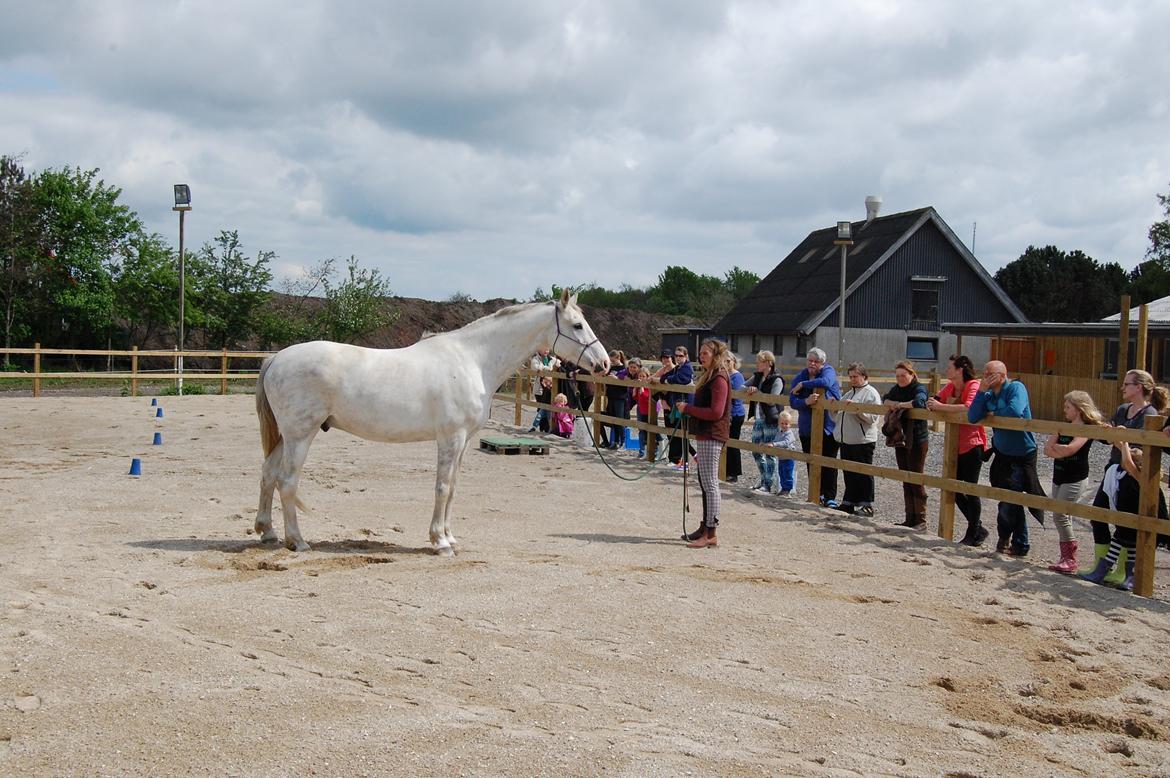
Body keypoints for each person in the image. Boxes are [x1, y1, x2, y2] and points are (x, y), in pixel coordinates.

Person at [1086, 369, 1168, 582]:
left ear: (1138, 387)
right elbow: (1109, 439)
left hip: (1132, 474)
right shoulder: (1123, 409)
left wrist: (1119, 438)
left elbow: (1139, 451)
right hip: (1114, 469)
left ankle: (1122, 570)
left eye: (1127, 384)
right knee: (1098, 515)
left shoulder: (1150, 415)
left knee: (1127, 524)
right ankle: (1102, 564)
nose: (1122, 387)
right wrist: (1108, 432)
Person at [968, 360, 1045, 557]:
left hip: (1022, 454)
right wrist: (981, 393)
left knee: (1013, 499)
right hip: (1002, 453)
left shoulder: (1016, 387)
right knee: (1006, 498)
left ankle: (1013, 542)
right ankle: (1016, 542)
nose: (986, 376)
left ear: (1002, 375)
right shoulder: (987, 394)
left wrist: (993, 413)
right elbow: (973, 416)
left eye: (990, 373)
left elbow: (1015, 411)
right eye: (985, 373)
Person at [1080, 442, 1168, 591]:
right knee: (1130, 545)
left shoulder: (1141, 478)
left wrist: (1125, 441)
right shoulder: (1130, 476)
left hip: (1142, 519)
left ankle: (1102, 572)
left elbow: (1128, 461)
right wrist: (1121, 444)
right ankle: (1129, 577)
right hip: (1133, 518)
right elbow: (1128, 460)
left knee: (1120, 541)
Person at [926, 355, 988, 546]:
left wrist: (940, 406)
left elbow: (968, 408)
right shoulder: (951, 386)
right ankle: (977, 528)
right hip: (955, 445)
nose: (947, 369)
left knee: (970, 488)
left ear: (960, 369)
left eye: (950, 366)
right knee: (952, 488)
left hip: (972, 444)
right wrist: (933, 403)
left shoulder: (973, 385)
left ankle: (973, 531)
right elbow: (936, 398)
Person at [676, 339, 732, 548]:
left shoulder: (718, 378)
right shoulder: (710, 375)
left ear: (715, 355)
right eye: (700, 353)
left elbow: (716, 412)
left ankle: (711, 531)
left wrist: (688, 409)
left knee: (710, 484)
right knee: (705, 482)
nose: (701, 356)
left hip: (712, 434)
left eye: (705, 353)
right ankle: (705, 526)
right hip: (705, 433)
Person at [1043, 391, 1104, 573]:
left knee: (1060, 514)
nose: (1065, 410)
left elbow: (1071, 449)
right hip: (1059, 475)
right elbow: (1047, 449)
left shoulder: (1084, 429)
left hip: (1075, 477)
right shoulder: (1063, 426)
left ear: (1078, 409)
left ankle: (1070, 557)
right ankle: (1065, 556)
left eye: (1068, 407)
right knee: (1062, 515)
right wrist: (1058, 449)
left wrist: (1059, 449)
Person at [790, 348, 841, 506]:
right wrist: (806, 402)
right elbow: (792, 400)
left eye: (816, 361)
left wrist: (803, 384)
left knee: (829, 463)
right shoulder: (802, 375)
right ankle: (816, 494)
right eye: (810, 360)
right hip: (807, 428)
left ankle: (830, 497)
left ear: (822, 363)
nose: (812, 364)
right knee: (811, 463)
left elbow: (825, 383)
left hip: (828, 428)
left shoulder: (828, 371)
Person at [883, 360, 930, 529]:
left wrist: (900, 405)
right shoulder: (897, 389)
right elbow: (885, 398)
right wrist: (893, 404)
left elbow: (920, 402)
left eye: (903, 375)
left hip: (917, 439)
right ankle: (909, 517)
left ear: (911, 374)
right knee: (905, 477)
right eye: (897, 376)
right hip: (901, 438)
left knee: (916, 477)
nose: (900, 379)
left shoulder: (918, 388)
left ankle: (921, 519)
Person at [833, 363, 881, 517]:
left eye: (855, 376)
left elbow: (873, 418)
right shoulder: (848, 394)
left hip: (862, 440)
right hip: (847, 439)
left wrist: (857, 410)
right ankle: (849, 501)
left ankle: (866, 504)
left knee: (864, 472)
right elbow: (838, 415)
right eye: (851, 376)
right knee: (849, 471)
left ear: (864, 376)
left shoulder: (871, 393)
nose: (852, 379)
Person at [743, 350, 785, 493]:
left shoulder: (777, 379)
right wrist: (749, 389)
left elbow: (773, 399)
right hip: (758, 419)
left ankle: (768, 484)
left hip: (771, 419)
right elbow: (741, 386)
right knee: (756, 450)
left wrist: (757, 393)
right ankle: (763, 480)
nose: (757, 364)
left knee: (769, 452)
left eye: (759, 361)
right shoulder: (757, 377)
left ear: (769, 363)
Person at [652, 346, 695, 468]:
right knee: (675, 431)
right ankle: (678, 460)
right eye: (676, 355)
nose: (678, 358)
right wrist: (663, 380)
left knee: (682, 433)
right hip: (677, 404)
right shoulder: (678, 368)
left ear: (686, 356)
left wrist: (665, 380)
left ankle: (684, 461)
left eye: (680, 356)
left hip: (685, 404)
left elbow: (679, 379)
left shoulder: (686, 368)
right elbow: (667, 377)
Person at [527, 348, 560, 433]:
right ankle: (542, 428)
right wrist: (548, 368)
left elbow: (559, 363)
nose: (546, 351)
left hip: (549, 387)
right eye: (544, 349)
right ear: (539, 350)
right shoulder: (536, 359)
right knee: (541, 408)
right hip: (539, 388)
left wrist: (544, 368)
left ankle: (546, 428)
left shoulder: (551, 359)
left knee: (548, 408)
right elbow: (535, 367)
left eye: (547, 350)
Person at [602, 350, 630, 449]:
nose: (612, 363)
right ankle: (615, 441)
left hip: (620, 397)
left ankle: (622, 442)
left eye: (613, 361)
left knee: (619, 420)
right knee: (613, 419)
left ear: (618, 358)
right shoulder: (611, 368)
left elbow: (625, 384)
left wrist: (616, 379)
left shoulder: (624, 368)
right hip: (611, 395)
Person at [726, 353, 747, 483]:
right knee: (725, 441)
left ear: (733, 361)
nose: (726, 363)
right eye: (724, 361)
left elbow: (736, 396)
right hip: (726, 413)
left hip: (735, 413)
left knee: (733, 442)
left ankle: (734, 472)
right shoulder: (726, 375)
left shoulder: (737, 376)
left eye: (728, 361)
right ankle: (726, 469)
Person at [773, 410, 801, 496]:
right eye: (782, 423)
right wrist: (772, 443)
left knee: (788, 472)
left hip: (789, 457)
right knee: (781, 472)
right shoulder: (779, 432)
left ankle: (787, 489)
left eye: (786, 423)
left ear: (790, 424)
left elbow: (786, 442)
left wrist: (775, 444)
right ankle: (783, 488)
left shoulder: (790, 434)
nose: (784, 425)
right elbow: (776, 440)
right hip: (781, 457)